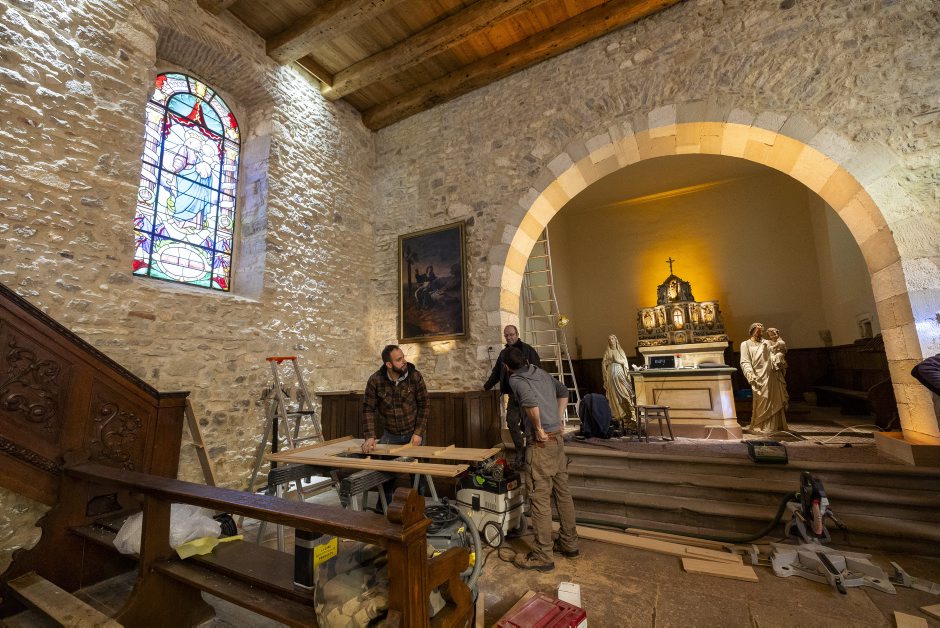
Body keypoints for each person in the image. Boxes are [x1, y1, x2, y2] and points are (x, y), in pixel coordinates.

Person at [504, 347, 578, 571]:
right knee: (563, 493)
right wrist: (558, 418)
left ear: (507, 367)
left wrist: (538, 428)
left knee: (540, 499)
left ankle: (543, 554)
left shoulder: (516, 379)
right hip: (557, 442)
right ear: (526, 360)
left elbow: (530, 402)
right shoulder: (541, 372)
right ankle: (569, 544)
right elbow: (563, 391)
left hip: (541, 444)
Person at [361, 344, 430, 510]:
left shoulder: (415, 376)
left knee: (419, 477)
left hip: (414, 433)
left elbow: (425, 405)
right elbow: (368, 409)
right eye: (399, 359)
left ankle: (419, 511)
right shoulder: (375, 380)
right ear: (389, 364)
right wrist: (370, 436)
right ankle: (383, 511)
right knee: (385, 474)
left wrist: (418, 432)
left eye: (403, 357)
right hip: (390, 435)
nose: (404, 361)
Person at [483, 325, 540, 467]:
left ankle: (531, 456)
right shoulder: (503, 353)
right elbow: (497, 372)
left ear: (517, 334)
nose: (509, 338)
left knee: (528, 426)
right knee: (511, 422)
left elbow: (537, 371)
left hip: (527, 394)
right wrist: (485, 387)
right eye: (506, 335)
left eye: (511, 334)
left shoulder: (528, 350)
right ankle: (520, 451)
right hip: (513, 396)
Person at [739, 323, 788, 433]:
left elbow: (781, 348)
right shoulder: (745, 344)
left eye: (761, 331)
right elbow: (745, 361)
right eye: (758, 331)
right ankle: (759, 425)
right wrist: (749, 373)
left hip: (771, 375)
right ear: (752, 331)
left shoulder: (767, 342)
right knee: (762, 400)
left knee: (775, 400)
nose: (760, 333)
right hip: (758, 377)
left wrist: (777, 338)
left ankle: (775, 426)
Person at [602, 334, 635, 425]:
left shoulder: (620, 351)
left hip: (620, 375)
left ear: (616, 340)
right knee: (613, 395)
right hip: (610, 375)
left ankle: (629, 414)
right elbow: (603, 363)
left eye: (612, 338)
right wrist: (609, 361)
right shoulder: (607, 352)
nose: (611, 340)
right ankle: (618, 416)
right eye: (609, 339)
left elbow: (625, 362)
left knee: (624, 393)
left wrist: (617, 360)